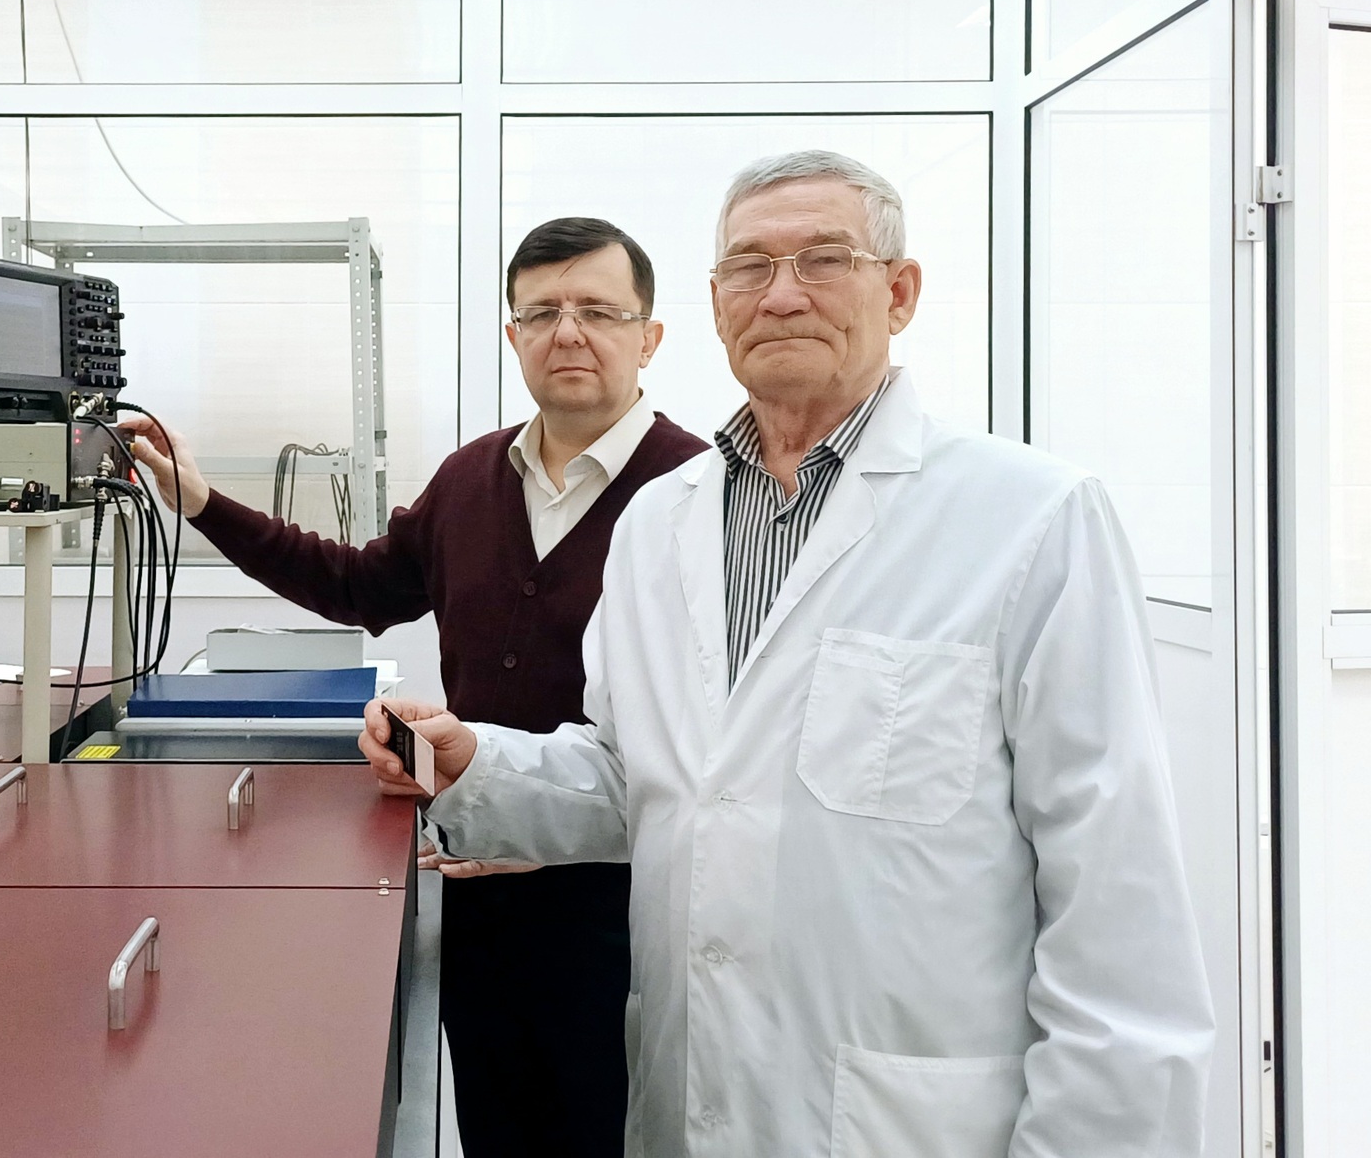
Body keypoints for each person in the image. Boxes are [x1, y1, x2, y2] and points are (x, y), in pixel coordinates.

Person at [360, 151, 1216, 1156]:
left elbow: (1116, 906)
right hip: (690, 1101)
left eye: (823, 259)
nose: (781, 294)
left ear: (899, 292)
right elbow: (641, 781)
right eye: (748, 267)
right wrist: (477, 761)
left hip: (911, 1124)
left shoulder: (1031, 518)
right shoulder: (659, 525)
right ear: (717, 305)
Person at [127, 218, 710, 1157]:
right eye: (543, 312)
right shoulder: (469, 480)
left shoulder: (701, 495)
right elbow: (357, 584)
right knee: (497, 1128)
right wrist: (199, 501)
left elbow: (725, 735)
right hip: (479, 897)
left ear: (649, 337)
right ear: (512, 333)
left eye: (599, 311)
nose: (569, 332)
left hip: (628, 912)